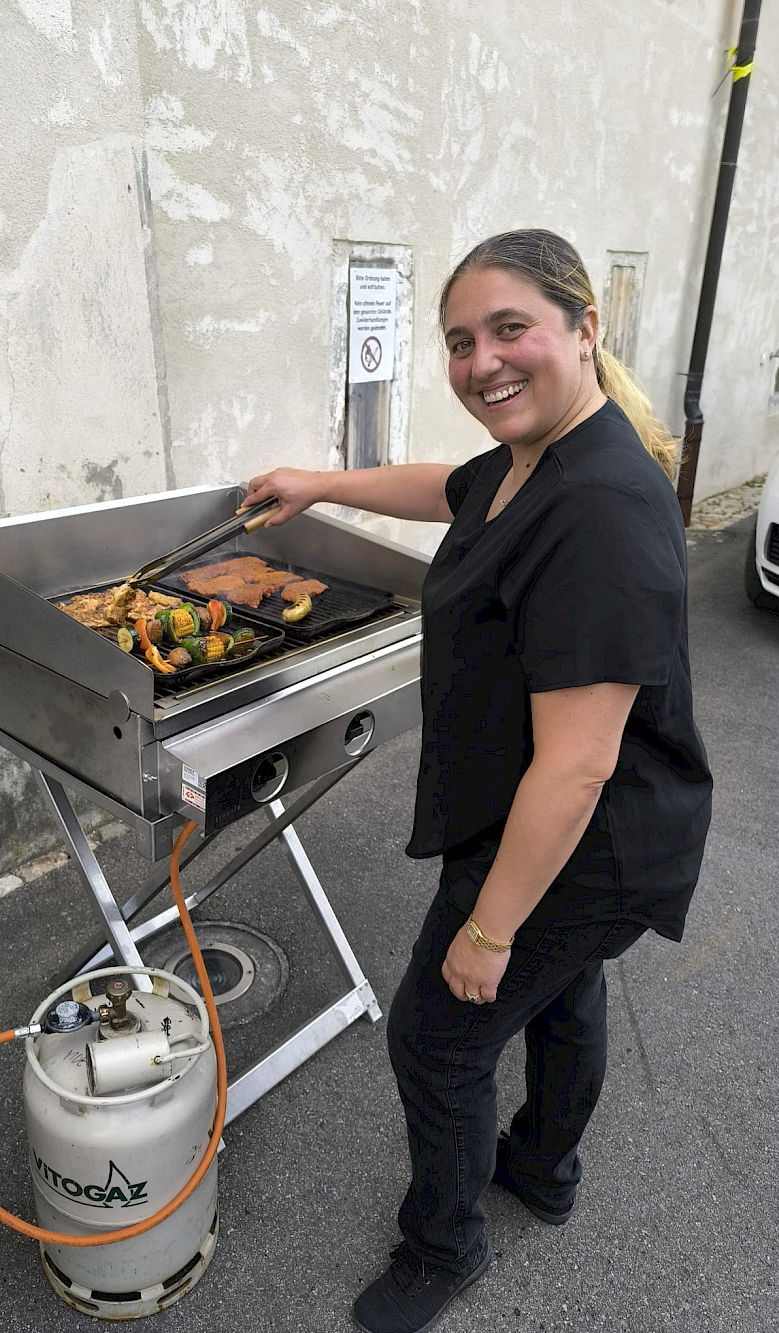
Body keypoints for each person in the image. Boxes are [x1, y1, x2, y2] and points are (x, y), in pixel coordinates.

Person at [241, 229, 713, 1333]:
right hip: (593, 825)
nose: (482, 362)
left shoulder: (597, 507)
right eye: (459, 341)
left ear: (582, 329)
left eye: (511, 330)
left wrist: (490, 927)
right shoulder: (537, 457)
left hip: (576, 839)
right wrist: (321, 483)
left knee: (438, 1035)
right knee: (567, 989)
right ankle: (540, 1169)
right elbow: (447, 485)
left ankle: (443, 1244)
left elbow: (581, 759)